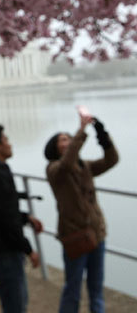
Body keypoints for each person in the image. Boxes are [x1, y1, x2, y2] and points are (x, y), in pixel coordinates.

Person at [44, 110, 119, 313]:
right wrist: (81, 130)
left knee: (96, 290)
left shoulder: (84, 166)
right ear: (54, 147)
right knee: (73, 289)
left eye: (69, 138)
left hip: (97, 234)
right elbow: (66, 164)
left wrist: (102, 134)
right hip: (75, 236)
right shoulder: (53, 170)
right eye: (63, 140)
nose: (67, 141)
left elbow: (112, 160)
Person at [0, 124, 43, 313]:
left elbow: (2, 210)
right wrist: (29, 249)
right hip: (4, 255)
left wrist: (26, 218)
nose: (10, 144)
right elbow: (7, 220)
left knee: (14, 305)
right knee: (16, 307)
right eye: (5, 140)